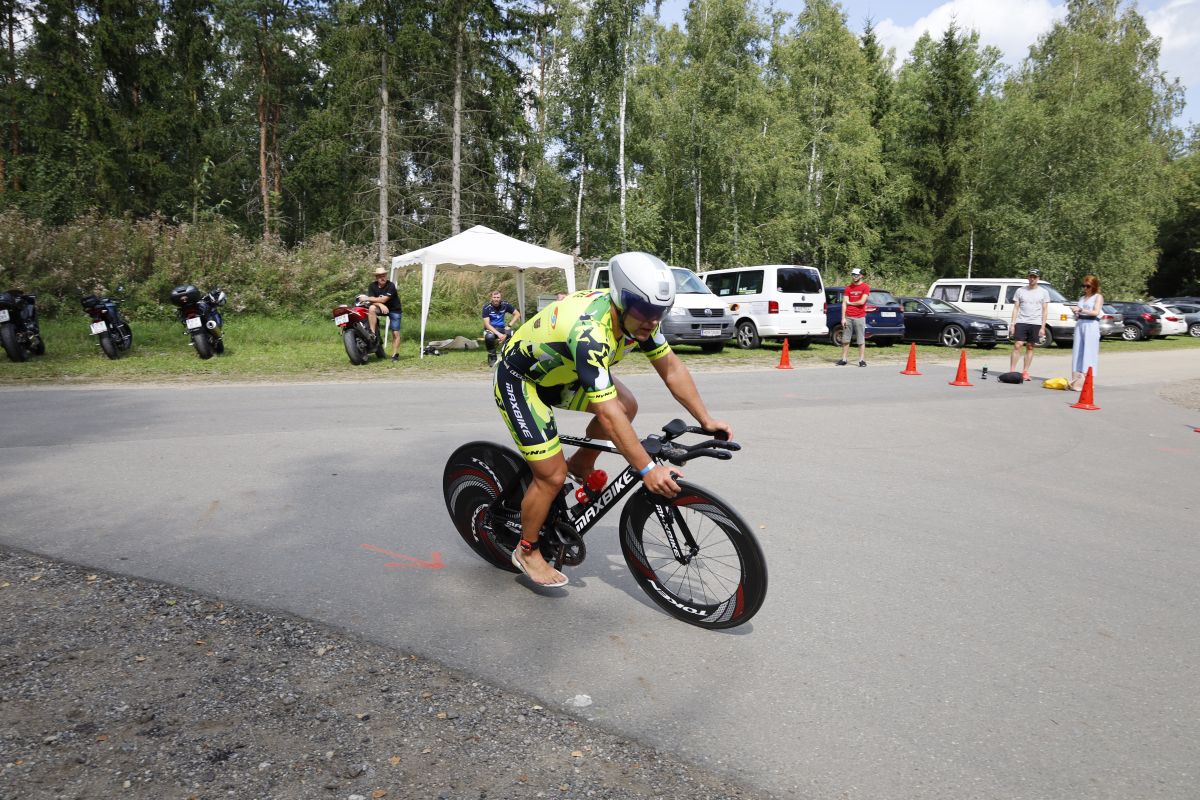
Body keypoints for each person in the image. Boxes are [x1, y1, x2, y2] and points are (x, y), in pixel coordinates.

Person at [494, 252, 732, 587]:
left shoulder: (640, 320)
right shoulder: (591, 332)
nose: (653, 321)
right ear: (622, 301)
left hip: (563, 374)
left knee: (627, 404)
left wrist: (705, 418)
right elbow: (606, 412)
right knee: (551, 476)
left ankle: (581, 463)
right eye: (645, 312)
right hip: (523, 381)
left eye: (660, 312)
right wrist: (647, 469)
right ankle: (528, 551)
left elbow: (672, 369)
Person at [1008, 268, 1049, 381]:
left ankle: (1025, 372)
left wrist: (1043, 327)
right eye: (1030, 276)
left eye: (1034, 277)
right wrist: (1012, 324)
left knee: (1030, 347)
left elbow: (1045, 310)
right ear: (1028, 277)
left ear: (1038, 278)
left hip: (1035, 322)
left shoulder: (1043, 292)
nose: (1032, 279)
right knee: (1018, 345)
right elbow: (1016, 308)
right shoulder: (1020, 291)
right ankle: (1012, 371)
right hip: (1021, 321)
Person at [1070, 275, 1104, 391]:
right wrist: (1076, 313)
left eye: (1088, 286)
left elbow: (1096, 312)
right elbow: (1079, 313)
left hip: (1091, 324)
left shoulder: (1098, 297)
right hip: (1080, 323)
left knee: (1089, 352)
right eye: (1083, 286)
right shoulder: (1082, 298)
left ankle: (1088, 380)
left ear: (1093, 286)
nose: (1085, 288)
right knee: (1077, 351)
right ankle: (1076, 380)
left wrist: (1081, 309)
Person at [366, 266, 402, 361]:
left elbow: (383, 299)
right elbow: (371, 301)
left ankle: (395, 355)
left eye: (384, 275)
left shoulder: (391, 285)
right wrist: (380, 304)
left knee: (395, 333)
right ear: (376, 277)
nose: (382, 278)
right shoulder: (372, 286)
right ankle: (373, 334)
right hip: (381, 308)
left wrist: (368, 299)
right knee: (371, 308)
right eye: (380, 276)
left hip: (394, 310)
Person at [837, 268, 870, 367]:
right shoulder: (848, 288)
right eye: (853, 275)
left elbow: (862, 302)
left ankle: (861, 360)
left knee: (860, 339)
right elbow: (844, 303)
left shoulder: (865, 287)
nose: (854, 277)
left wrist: (850, 303)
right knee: (845, 339)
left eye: (856, 275)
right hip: (848, 317)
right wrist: (843, 318)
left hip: (860, 317)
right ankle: (844, 359)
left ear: (861, 276)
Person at [482, 290, 522, 367]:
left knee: (513, 335)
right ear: (491, 298)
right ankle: (492, 357)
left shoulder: (505, 304)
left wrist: (509, 326)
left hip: (502, 328)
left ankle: (508, 356)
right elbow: (487, 324)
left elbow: (517, 314)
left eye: (498, 297)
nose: (496, 299)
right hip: (490, 329)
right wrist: (499, 335)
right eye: (494, 297)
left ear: (500, 298)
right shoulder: (486, 307)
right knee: (489, 337)